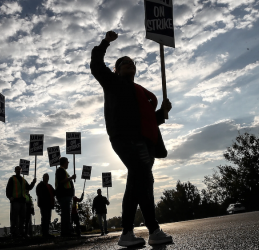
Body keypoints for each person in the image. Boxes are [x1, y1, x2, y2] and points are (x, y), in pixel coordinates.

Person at [90, 30, 173, 247]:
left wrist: (162, 113)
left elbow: (146, 120)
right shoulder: (113, 83)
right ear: (116, 70)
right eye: (124, 63)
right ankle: (145, 230)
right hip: (124, 138)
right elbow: (96, 65)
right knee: (140, 178)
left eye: (132, 63)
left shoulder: (139, 93)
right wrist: (105, 42)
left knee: (140, 182)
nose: (129, 64)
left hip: (145, 141)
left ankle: (139, 231)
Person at [5, 166, 36, 239]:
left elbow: (28, 188)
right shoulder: (12, 179)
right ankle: (14, 233)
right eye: (17, 170)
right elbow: (8, 189)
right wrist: (10, 197)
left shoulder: (23, 180)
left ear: (21, 171)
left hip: (22, 202)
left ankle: (21, 233)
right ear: (15, 171)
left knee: (22, 218)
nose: (18, 171)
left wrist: (33, 182)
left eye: (19, 170)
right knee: (14, 218)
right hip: (15, 201)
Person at [55, 157, 76, 237]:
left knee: (66, 214)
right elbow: (61, 181)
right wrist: (71, 178)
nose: (68, 163)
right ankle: (66, 232)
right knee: (66, 214)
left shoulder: (63, 171)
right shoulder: (60, 170)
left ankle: (67, 231)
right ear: (64, 162)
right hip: (63, 195)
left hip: (66, 196)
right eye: (67, 162)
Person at [36, 173, 56, 237]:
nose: (47, 178)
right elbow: (39, 193)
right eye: (45, 177)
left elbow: (54, 193)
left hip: (49, 205)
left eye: (47, 177)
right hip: (44, 205)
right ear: (43, 177)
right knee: (45, 218)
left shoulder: (49, 186)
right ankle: (44, 233)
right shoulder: (40, 185)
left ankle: (46, 232)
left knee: (48, 219)